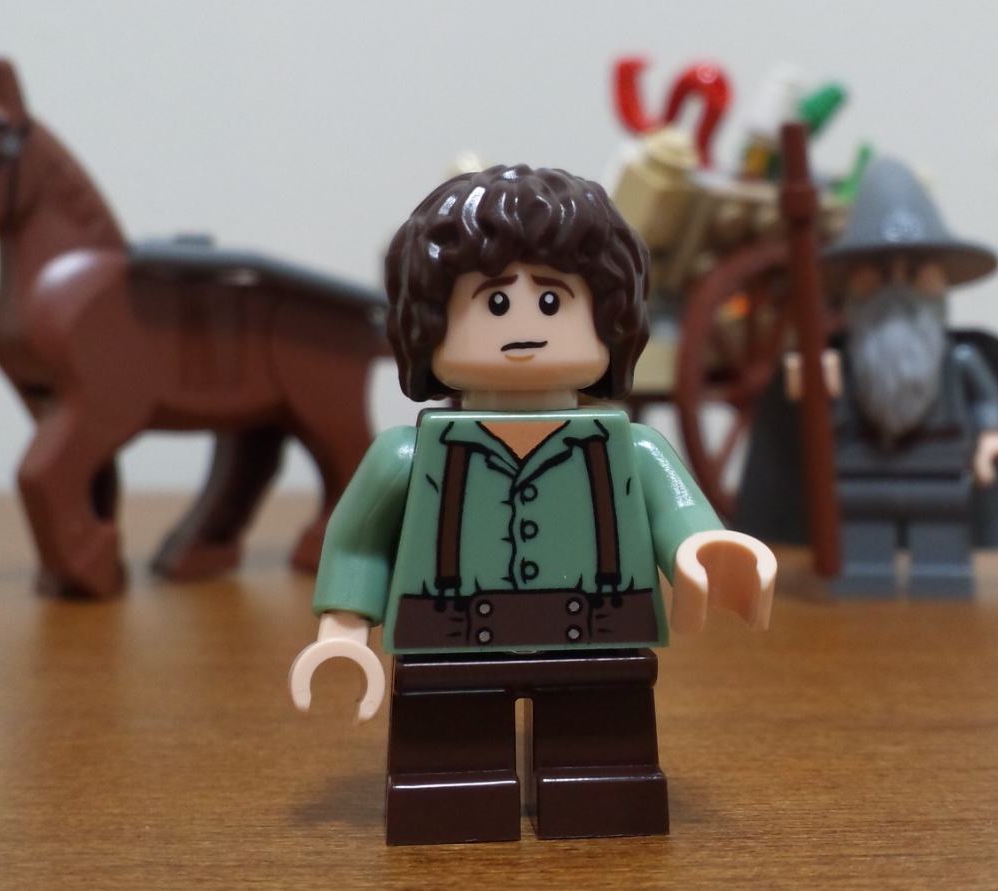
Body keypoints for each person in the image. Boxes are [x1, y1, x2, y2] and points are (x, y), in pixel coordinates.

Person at [290, 165, 775, 845]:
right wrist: (344, 633)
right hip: (449, 644)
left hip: (598, 641)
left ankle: (599, 790)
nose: (523, 324)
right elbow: (359, 541)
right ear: (429, 322)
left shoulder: (630, 446)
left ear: (608, 317)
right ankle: (454, 795)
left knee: (602, 773)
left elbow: (677, 513)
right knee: (449, 780)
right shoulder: (408, 454)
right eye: (493, 302)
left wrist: (704, 547)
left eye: (552, 301)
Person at [736, 156, 998, 596]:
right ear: (851, 289)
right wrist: (811, 392)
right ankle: (862, 573)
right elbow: (811, 415)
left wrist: (992, 438)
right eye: (876, 278)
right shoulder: (837, 362)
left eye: (916, 275)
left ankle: (940, 575)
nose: (897, 292)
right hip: (858, 486)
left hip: (942, 482)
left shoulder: (961, 359)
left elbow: (985, 401)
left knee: (942, 566)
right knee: (862, 562)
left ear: (940, 284)